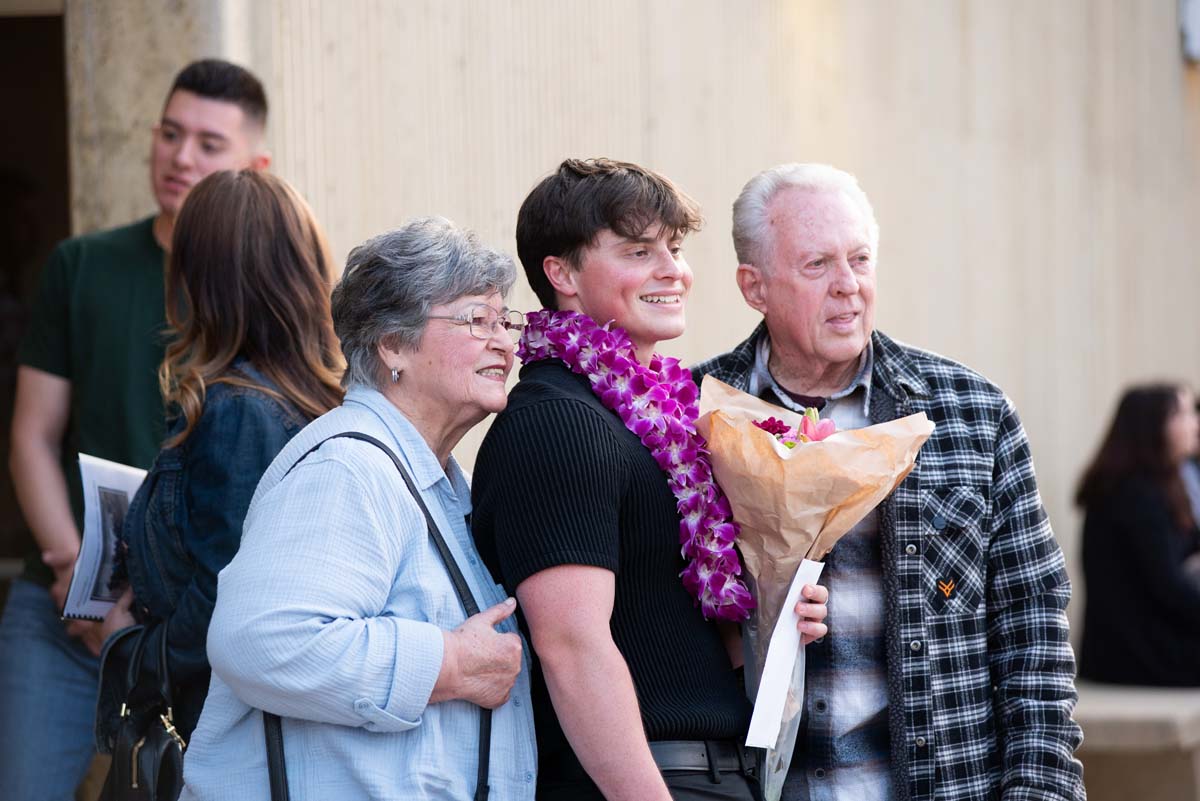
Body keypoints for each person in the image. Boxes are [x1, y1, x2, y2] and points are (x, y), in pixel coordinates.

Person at [691, 163, 1085, 801]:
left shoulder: (970, 412)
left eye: (861, 259)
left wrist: (1039, 790)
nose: (849, 287)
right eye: (817, 265)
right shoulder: (693, 417)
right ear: (753, 286)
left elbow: (1034, 627)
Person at [471, 158, 829, 801]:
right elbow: (573, 649)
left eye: (676, 248)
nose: (674, 271)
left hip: (718, 771)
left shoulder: (663, 420)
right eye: (639, 251)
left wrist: (771, 610)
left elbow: (663, 622)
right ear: (562, 274)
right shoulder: (556, 423)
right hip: (645, 780)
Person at [178, 217, 534, 800]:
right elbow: (263, 640)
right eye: (476, 319)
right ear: (392, 343)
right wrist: (446, 665)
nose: (504, 341)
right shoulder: (347, 468)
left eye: (505, 321)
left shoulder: (433, 476)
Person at [0, 58, 270, 800]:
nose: (182, 157)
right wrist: (70, 575)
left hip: (198, 627)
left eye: (209, 144)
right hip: (59, 608)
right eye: (170, 133)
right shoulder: (81, 265)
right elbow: (30, 433)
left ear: (257, 165)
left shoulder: (264, 284)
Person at [94, 169, 344, 746]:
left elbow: (225, 598)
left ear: (198, 279)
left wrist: (133, 654)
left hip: (227, 733)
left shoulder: (238, 411)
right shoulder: (324, 403)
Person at [1076, 383, 1200, 685]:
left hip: (1140, 645)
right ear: (1153, 426)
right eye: (1183, 414)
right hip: (1133, 655)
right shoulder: (1133, 495)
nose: (1195, 422)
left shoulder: (1159, 487)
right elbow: (1168, 588)